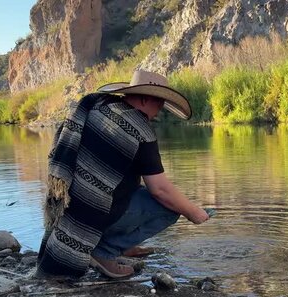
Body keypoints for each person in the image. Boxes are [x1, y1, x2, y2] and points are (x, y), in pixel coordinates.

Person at [35, 70, 209, 279]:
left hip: (69, 210)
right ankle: (104, 251)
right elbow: (161, 190)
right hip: (93, 214)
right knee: (171, 208)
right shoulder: (139, 128)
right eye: (160, 102)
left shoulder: (96, 107)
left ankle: (121, 247)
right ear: (145, 98)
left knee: (132, 188)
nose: (161, 109)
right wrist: (194, 212)